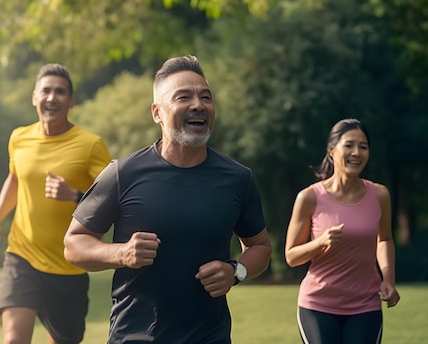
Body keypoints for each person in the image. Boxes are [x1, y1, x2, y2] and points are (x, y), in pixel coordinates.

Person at [63, 55, 272, 343]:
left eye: (206, 97)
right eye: (183, 97)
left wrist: (236, 271)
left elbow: (260, 245)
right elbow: (74, 244)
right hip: (134, 337)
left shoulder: (238, 178)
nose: (198, 105)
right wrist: (121, 253)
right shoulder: (123, 173)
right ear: (157, 112)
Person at [0, 63, 112, 344]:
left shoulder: (90, 145)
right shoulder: (19, 138)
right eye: (46, 91)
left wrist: (74, 195)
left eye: (60, 92)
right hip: (22, 255)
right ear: (34, 97)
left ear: (71, 101)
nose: (52, 98)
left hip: (69, 265)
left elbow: (112, 199)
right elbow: (15, 181)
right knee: (13, 339)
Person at [284, 118, 400, 343]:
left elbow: (384, 239)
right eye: (349, 145)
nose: (356, 152)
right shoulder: (309, 197)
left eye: (363, 147)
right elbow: (291, 256)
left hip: (365, 305)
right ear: (331, 151)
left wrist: (388, 279)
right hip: (318, 305)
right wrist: (321, 242)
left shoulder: (380, 195)